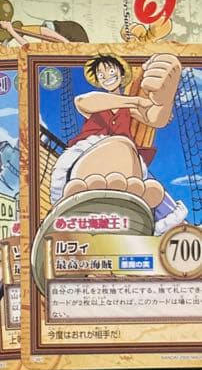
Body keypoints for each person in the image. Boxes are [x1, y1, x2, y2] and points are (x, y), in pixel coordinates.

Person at [50, 51, 187, 233]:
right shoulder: (98, 102)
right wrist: (136, 100)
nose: (106, 77)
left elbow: (154, 118)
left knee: (154, 192)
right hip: (89, 153)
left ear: (122, 75)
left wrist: (164, 100)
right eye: (101, 75)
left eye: (111, 72)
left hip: (126, 162)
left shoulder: (130, 110)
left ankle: (168, 229)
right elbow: (82, 102)